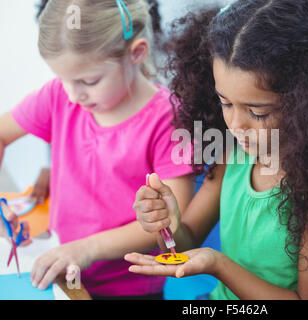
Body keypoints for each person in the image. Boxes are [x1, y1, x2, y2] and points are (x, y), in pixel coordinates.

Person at [125, 0, 308, 299]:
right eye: (225, 103)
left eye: (258, 112)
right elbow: (185, 244)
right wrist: (168, 223)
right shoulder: (234, 154)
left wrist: (218, 265)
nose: (236, 124)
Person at [0, 0, 194, 299]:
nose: (74, 95)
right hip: (62, 277)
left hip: (130, 288)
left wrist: (85, 249)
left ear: (136, 54)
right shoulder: (58, 96)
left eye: (88, 81)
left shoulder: (168, 119)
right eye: (64, 79)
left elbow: (169, 223)